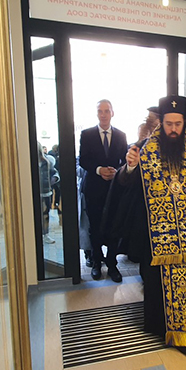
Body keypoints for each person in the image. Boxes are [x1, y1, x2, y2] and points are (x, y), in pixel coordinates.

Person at [116, 95, 186, 353]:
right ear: (161, 122)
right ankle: (165, 329)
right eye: (169, 124)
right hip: (158, 236)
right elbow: (125, 183)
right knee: (158, 287)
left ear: (185, 123)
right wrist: (130, 167)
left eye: (178, 124)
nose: (173, 129)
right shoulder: (144, 149)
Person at [79, 99, 127, 282]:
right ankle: (97, 263)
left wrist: (117, 172)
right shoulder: (87, 134)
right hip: (94, 188)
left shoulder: (121, 135)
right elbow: (83, 160)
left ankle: (112, 265)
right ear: (97, 113)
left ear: (112, 113)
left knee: (115, 227)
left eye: (107, 111)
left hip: (114, 189)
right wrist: (99, 170)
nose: (104, 114)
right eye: (100, 111)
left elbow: (124, 161)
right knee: (95, 228)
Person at [38, 142, 57, 244]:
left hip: (46, 191)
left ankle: (45, 234)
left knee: (45, 214)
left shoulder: (48, 161)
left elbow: (54, 172)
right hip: (32, 192)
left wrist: (55, 178)